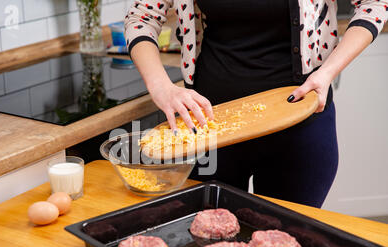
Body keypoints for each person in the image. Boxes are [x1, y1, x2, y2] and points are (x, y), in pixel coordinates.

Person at [124, 0, 387, 208]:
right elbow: (141, 17)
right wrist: (160, 85)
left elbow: (375, 3)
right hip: (208, 129)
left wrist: (328, 71)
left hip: (300, 127)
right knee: (205, 244)